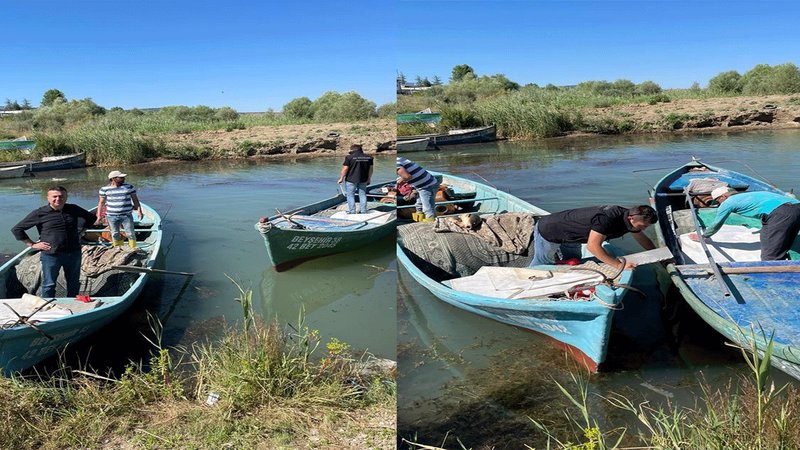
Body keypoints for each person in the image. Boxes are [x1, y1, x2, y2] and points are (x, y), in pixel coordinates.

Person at [11, 186, 99, 298]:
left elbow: (91, 218)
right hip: (51, 255)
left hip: (74, 253)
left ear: (66, 197)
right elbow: (17, 229)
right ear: (48, 198)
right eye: (54, 196)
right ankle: (48, 307)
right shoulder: (40, 213)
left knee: (74, 283)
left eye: (61, 196)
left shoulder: (73, 209)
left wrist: (81, 231)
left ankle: (73, 304)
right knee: (49, 284)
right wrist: (33, 244)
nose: (58, 199)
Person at [530, 205, 658, 269]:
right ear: (631, 218)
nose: (643, 229)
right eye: (642, 226)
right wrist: (619, 266)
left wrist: (658, 256)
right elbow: (592, 246)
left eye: (646, 227)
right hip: (550, 230)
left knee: (574, 261)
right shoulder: (608, 218)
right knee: (541, 265)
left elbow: (643, 239)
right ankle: (524, 283)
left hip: (574, 235)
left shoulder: (632, 222)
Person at [690, 187, 800, 260]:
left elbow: (717, 223)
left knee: (770, 253)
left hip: (779, 214)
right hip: (797, 207)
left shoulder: (728, 202)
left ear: (723, 196)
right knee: (785, 239)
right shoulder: (751, 195)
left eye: (718, 201)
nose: (719, 204)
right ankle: (783, 258)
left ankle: (774, 278)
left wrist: (704, 236)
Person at [97, 170, 143, 248]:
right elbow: (101, 203)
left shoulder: (129, 187)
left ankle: (132, 248)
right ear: (114, 179)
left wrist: (139, 211)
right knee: (115, 234)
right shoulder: (104, 189)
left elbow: (135, 200)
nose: (124, 178)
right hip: (111, 216)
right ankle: (119, 249)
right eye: (121, 177)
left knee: (130, 233)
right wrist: (99, 216)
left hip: (126, 215)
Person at [396, 156, 438, 221]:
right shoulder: (399, 159)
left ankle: (431, 223)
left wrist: (399, 182)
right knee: (419, 205)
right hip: (421, 185)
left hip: (427, 185)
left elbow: (407, 177)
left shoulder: (397, 164)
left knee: (428, 207)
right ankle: (419, 220)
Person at [337, 144, 373, 214]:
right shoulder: (369, 158)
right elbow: (371, 169)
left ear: (352, 149)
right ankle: (363, 211)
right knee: (362, 194)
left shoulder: (349, 157)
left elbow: (345, 169)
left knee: (350, 195)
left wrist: (341, 178)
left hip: (351, 179)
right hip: (363, 179)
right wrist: (369, 178)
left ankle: (352, 211)